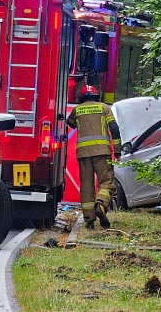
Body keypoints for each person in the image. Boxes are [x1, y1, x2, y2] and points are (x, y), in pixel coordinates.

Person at [67, 85, 121, 229]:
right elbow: (114, 129)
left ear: (82, 97)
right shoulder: (104, 108)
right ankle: (101, 204)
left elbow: (70, 124)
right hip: (102, 152)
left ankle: (89, 219)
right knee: (106, 182)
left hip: (83, 154)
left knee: (86, 185)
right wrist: (117, 150)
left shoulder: (77, 110)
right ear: (96, 96)